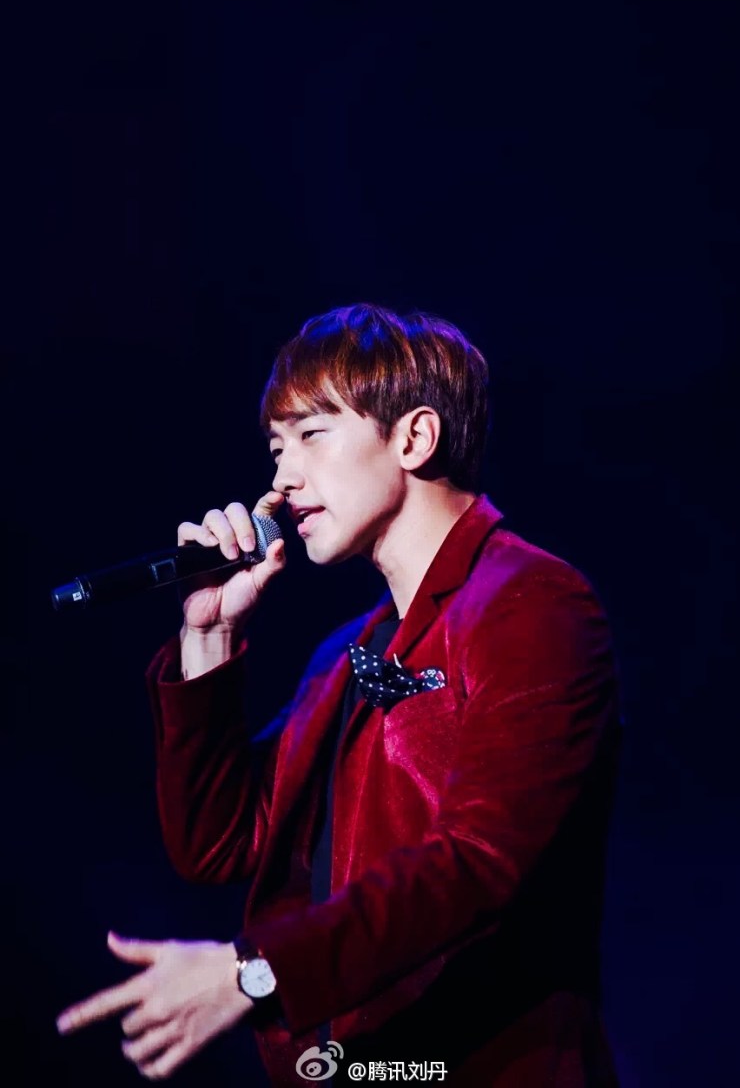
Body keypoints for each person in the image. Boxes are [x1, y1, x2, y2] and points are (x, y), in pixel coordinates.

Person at [56, 303, 622, 1086]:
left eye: (312, 435)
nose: (282, 479)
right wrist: (208, 635)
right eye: (276, 448)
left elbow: (479, 861)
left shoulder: (531, 603)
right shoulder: (347, 652)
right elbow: (220, 842)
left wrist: (252, 972)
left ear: (414, 437)